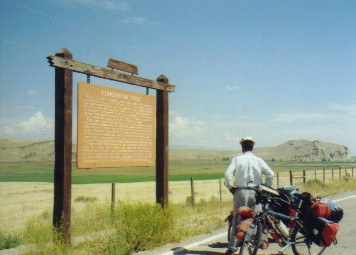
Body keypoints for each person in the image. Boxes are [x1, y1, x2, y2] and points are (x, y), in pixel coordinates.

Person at [224, 136, 274, 255]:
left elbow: (227, 175)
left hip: (240, 191)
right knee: (255, 219)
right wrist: (265, 187)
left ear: (242, 147)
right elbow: (270, 174)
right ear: (252, 147)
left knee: (237, 219)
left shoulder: (237, 159)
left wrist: (231, 188)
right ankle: (252, 245)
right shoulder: (258, 160)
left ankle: (232, 247)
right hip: (256, 192)